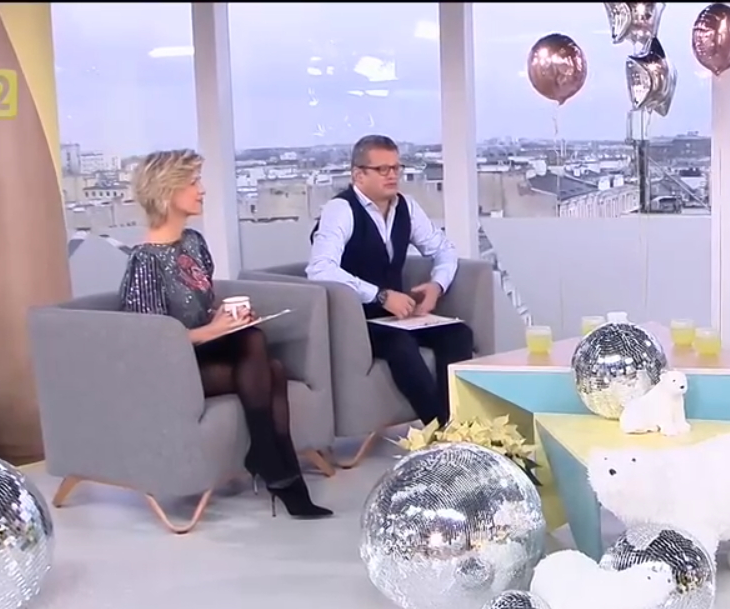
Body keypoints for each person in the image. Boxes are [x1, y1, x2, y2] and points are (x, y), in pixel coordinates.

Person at [119, 149, 332, 520]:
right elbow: (150, 343)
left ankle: (272, 463)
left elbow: (202, 307)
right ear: (167, 191)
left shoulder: (194, 242)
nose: (201, 190)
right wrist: (212, 330)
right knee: (268, 365)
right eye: (193, 183)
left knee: (258, 346)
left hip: (206, 352)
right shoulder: (145, 261)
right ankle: (279, 471)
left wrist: (223, 319)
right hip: (172, 370)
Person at [306, 134, 472, 426]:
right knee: (400, 344)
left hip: (396, 316)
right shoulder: (340, 210)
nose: (392, 175)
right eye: (383, 169)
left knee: (458, 333)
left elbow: (444, 249)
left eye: (396, 168)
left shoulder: (406, 207)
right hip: (355, 320)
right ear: (358, 175)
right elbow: (319, 269)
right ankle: (440, 430)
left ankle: (458, 422)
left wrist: (437, 285)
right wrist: (380, 295)